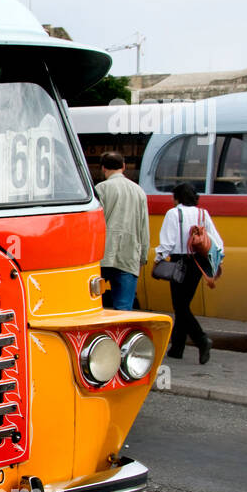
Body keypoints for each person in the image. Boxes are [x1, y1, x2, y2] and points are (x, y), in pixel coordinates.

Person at [153, 182, 221, 364]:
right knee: (183, 304)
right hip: (198, 263)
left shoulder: (173, 213)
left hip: (179, 262)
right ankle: (177, 348)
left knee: (180, 306)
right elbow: (216, 241)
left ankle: (201, 339)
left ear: (177, 197)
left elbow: (168, 242)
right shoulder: (202, 213)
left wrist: (158, 258)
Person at [94, 151, 149, 310]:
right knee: (124, 308)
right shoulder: (139, 191)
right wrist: (143, 256)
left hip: (103, 255)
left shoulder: (101, 189)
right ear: (124, 167)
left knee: (96, 306)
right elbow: (143, 227)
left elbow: (95, 223)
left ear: (103, 168)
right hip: (129, 255)